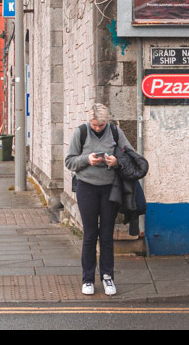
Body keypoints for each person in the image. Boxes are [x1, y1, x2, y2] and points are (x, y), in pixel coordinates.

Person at [65, 103, 134, 296]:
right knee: (89, 234)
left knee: (106, 235)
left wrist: (116, 162)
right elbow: (69, 161)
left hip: (110, 189)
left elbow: (130, 155)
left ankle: (107, 277)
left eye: (100, 125)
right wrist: (87, 159)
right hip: (86, 187)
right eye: (94, 125)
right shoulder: (81, 132)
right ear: (90, 122)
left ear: (107, 122)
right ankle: (87, 279)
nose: (97, 128)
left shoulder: (115, 131)